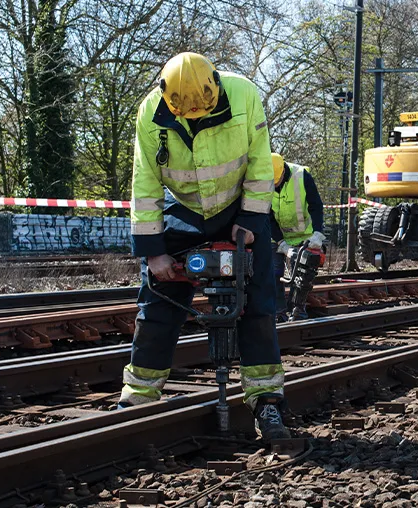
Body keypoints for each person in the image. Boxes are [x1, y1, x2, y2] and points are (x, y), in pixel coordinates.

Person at [123, 52, 289, 440]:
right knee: (158, 303)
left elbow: (261, 165)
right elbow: (145, 185)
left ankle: (267, 401)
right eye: (187, 112)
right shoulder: (150, 113)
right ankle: (138, 397)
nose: (195, 115)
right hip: (184, 210)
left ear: (215, 86)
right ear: (169, 100)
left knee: (257, 305)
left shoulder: (245, 95)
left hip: (239, 209)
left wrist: (250, 222)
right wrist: (154, 251)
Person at [270, 153, 325, 321]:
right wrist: (282, 244)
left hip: (305, 236)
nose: (274, 185)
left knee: (303, 275)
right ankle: (278, 312)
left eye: (276, 181)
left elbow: (316, 205)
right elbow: (267, 216)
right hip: (278, 237)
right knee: (273, 272)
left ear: (283, 173)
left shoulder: (301, 176)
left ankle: (297, 310)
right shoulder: (261, 181)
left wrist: (317, 234)